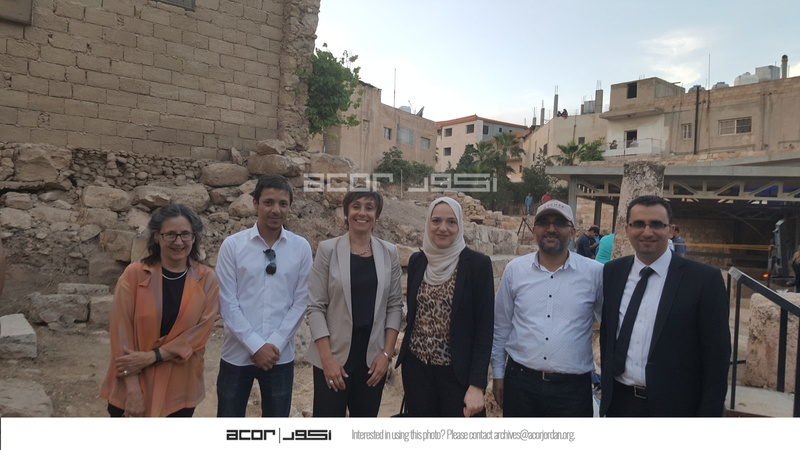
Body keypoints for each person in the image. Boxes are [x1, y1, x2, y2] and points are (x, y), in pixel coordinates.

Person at [600, 195, 730, 417]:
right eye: (638, 224)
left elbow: (717, 357)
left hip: (676, 408)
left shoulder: (703, 280)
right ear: (627, 230)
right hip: (620, 403)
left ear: (670, 230)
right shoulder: (613, 272)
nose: (647, 232)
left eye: (656, 224)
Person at [100, 204, 220, 417]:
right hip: (133, 383)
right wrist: (133, 389)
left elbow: (198, 335)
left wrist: (153, 356)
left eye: (185, 234)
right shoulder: (134, 275)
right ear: (157, 236)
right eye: (170, 235)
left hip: (180, 387)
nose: (179, 242)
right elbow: (121, 335)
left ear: (194, 237)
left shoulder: (207, 280)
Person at [492, 200, 603, 417]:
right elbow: (501, 326)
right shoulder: (515, 270)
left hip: (572, 391)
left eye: (559, 223)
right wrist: (497, 373)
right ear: (534, 230)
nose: (551, 229)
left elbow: (609, 327)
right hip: (521, 384)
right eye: (544, 222)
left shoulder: (594, 273)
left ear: (572, 232)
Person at [216, 174, 312, 417]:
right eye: (268, 202)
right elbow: (227, 301)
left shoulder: (301, 248)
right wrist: (255, 345)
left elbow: (301, 301)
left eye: (283, 204)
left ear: (290, 207)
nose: (276, 210)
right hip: (236, 354)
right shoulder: (232, 246)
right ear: (255, 203)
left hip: (279, 355)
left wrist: (274, 343)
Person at [306, 191, 403, 417]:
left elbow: (394, 306)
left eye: (369, 208)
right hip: (333, 357)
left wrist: (386, 355)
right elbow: (316, 307)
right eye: (356, 206)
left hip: (372, 361)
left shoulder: (389, 252)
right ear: (346, 212)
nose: (362, 213)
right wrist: (327, 359)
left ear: (376, 215)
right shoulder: (328, 250)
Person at [396, 197, 494, 417]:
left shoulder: (477, 265)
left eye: (451, 222)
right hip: (417, 371)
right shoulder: (418, 261)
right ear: (428, 224)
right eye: (436, 221)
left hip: (457, 375)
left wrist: (477, 384)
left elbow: (485, 328)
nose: (443, 228)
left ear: (459, 226)